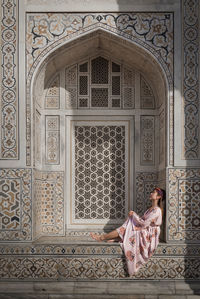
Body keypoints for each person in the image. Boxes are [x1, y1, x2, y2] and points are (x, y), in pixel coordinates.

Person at [90, 187, 164, 276]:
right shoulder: (150, 209)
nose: (151, 193)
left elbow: (144, 224)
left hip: (149, 235)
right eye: (152, 192)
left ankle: (101, 238)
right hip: (145, 230)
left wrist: (134, 215)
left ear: (158, 197)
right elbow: (143, 222)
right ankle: (114, 238)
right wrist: (134, 216)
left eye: (154, 193)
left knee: (128, 226)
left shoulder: (157, 210)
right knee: (128, 226)